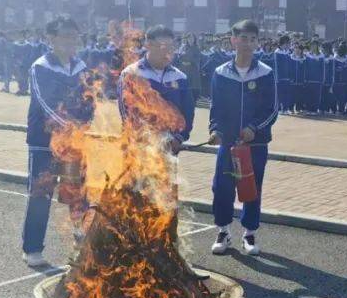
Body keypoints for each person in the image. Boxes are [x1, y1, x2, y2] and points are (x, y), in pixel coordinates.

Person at [207, 19, 278, 257]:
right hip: (228, 143)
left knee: (251, 188)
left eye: (252, 39)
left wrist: (253, 128)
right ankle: (223, 231)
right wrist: (215, 130)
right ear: (233, 40)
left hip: (255, 144)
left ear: (257, 42)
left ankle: (249, 233)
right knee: (222, 188)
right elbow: (216, 108)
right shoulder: (221, 73)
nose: (248, 44)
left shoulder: (265, 73)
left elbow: (272, 110)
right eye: (243, 38)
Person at [22, 18, 88, 267]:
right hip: (44, 142)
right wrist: (70, 127)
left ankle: (81, 244)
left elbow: (88, 100)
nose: (70, 41)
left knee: (76, 193)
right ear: (51, 38)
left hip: (74, 144)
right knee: (41, 194)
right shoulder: (41, 66)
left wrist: (86, 126)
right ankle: (32, 249)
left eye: (74, 36)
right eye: (64, 36)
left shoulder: (80, 66)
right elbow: (45, 103)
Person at [117, 24, 195, 153]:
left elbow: (188, 112)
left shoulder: (180, 77)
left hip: (168, 150)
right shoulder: (131, 74)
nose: (168, 52)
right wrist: (149, 138)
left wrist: (178, 137)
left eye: (171, 47)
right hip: (138, 149)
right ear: (148, 45)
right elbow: (126, 112)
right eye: (163, 47)